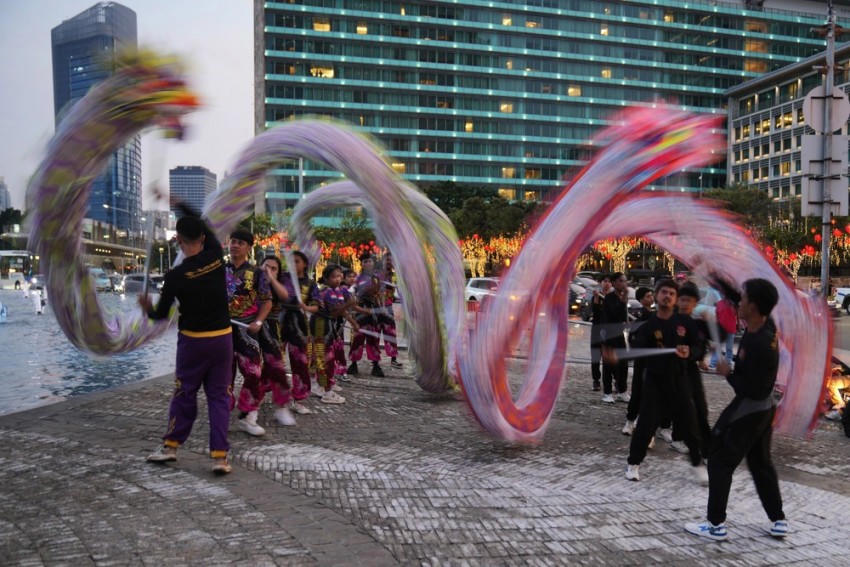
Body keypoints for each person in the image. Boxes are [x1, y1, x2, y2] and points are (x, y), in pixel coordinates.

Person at [685, 278, 788, 542]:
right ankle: (778, 520)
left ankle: (715, 525)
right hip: (763, 410)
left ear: (753, 306)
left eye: (743, 299)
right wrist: (712, 275)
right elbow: (733, 294)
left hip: (751, 409)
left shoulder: (759, 345)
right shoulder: (765, 323)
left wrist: (727, 373)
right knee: (760, 463)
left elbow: (753, 389)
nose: (738, 302)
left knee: (719, 459)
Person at [142, 208, 233, 474]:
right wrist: (180, 203)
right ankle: (220, 457)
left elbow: (160, 315)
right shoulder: (216, 256)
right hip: (222, 340)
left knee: (184, 393)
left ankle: (171, 446)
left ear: (179, 241)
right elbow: (204, 222)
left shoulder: (176, 276)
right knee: (218, 397)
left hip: (193, 343)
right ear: (203, 238)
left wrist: (146, 307)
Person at [618, 279, 706, 483]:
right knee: (645, 426)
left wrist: (691, 352)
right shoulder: (648, 326)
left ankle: (698, 463)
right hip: (655, 382)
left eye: (671, 294)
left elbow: (699, 347)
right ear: (657, 296)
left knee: (690, 425)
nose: (667, 296)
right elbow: (638, 350)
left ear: (675, 299)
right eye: (664, 292)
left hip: (680, 381)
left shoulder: (685, 324)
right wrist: (621, 356)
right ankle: (633, 464)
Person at [226, 228, 272, 437]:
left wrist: (259, 321)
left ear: (248, 247)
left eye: (240, 242)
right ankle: (222, 411)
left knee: (254, 373)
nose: (235, 245)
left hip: (247, 330)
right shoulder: (218, 269)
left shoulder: (257, 273)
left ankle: (248, 413)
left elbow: (267, 301)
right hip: (221, 330)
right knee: (222, 376)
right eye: (233, 241)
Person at [255, 255, 297, 426]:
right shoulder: (251, 279)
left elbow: (286, 296)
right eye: (266, 267)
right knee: (251, 367)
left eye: (274, 268)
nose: (269, 271)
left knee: (276, 365)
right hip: (248, 324)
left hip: (270, 327)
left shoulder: (279, 283)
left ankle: (281, 406)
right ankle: (249, 406)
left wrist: (271, 279)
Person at [671, 282, 711, 458]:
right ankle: (677, 437)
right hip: (672, 370)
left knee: (700, 407)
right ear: (677, 301)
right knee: (679, 407)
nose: (686, 304)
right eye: (683, 300)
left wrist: (696, 355)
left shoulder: (698, 324)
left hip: (691, 369)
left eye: (690, 301)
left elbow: (700, 345)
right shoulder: (670, 320)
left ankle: (706, 446)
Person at [311, 264, 359, 403]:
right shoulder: (325, 292)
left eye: (339, 276)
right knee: (325, 359)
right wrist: (349, 304)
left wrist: (353, 323)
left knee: (323, 358)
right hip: (320, 326)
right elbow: (334, 311)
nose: (338, 279)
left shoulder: (336, 291)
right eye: (334, 277)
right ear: (326, 278)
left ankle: (319, 385)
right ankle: (326, 390)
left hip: (327, 326)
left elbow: (341, 311)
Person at [280, 250, 319, 414]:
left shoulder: (310, 284)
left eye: (297, 261)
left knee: (300, 363)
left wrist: (306, 307)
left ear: (304, 264)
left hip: (300, 325)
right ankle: (276, 396)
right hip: (280, 321)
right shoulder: (282, 278)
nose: (293, 264)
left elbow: (317, 306)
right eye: (291, 261)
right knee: (273, 361)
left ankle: (298, 399)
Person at [348, 253, 386, 377]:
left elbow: (380, 295)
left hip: (374, 312)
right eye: (365, 261)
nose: (367, 263)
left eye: (369, 261)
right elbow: (353, 294)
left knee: (374, 339)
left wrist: (382, 308)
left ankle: (376, 365)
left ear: (373, 263)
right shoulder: (357, 279)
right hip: (360, 311)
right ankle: (353, 364)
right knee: (357, 338)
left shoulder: (377, 278)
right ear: (362, 264)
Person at [622, 286, 654, 436]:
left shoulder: (656, 316)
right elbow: (632, 337)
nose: (651, 298)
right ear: (641, 300)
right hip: (642, 360)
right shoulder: (640, 316)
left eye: (651, 295)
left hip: (653, 361)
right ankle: (630, 420)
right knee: (637, 391)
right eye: (648, 296)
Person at [601, 272, 629, 403]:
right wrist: (622, 303)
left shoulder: (622, 297)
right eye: (621, 281)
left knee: (623, 364)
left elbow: (623, 318)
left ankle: (622, 390)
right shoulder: (609, 298)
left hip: (619, 335)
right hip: (609, 335)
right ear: (615, 283)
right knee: (609, 365)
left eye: (625, 281)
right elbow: (612, 316)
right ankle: (607, 393)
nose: (624, 284)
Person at [589, 274, 612, 392]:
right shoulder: (596, 296)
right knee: (596, 357)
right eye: (605, 281)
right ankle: (596, 380)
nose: (607, 283)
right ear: (601, 283)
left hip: (609, 331)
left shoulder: (613, 298)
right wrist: (597, 298)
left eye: (609, 281)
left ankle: (612, 381)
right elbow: (596, 313)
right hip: (597, 330)